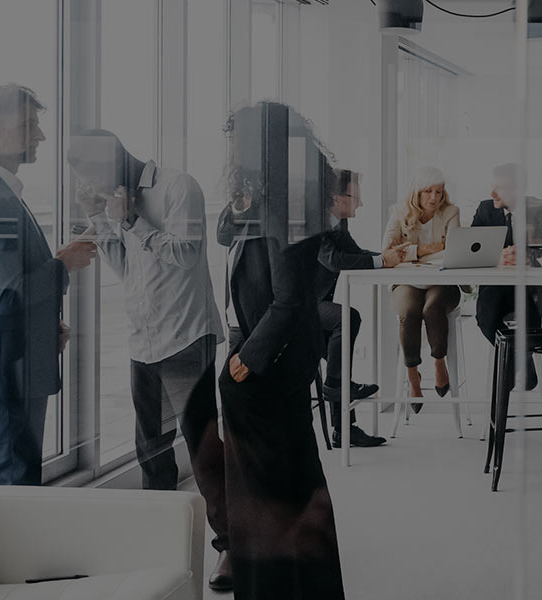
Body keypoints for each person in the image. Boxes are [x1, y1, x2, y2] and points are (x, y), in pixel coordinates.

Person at [65, 129, 233, 567]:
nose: (94, 189)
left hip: (185, 336)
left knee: (202, 450)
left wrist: (131, 222)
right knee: (152, 451)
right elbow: (129, 270)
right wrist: (103, 221)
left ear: (113, 159)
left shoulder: (179, 186)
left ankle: (233, 548)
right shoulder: (119, 202)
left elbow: (187, 253)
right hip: (144, 340)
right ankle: (159, 548)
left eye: (92, 178)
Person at [216, 100, 346, 598]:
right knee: (297, 478)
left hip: (266, 358)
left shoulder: (279, 203)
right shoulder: (290, 193)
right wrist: (240, 198)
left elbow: (289, 299)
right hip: (289, 354)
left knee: (259, 490)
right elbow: (225, 231)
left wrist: (244, 363)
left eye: (237, 141)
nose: (231, 151)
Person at [0, 84, 97, 486]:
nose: (40, 136)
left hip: (1, 368)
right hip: (2, 375)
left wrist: (42, 328)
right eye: (28, 125)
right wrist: (63, 264)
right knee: (12, 490)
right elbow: (6, 295)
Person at [470, 163, 542, 388]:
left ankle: (510, 364)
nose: (491, 194)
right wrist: (497, 257)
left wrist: (529, 257)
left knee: (529, 314)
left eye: (498, 188)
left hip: (533, 289)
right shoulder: (485, 210)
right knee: (486, 316)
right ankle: (522, 363)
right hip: (496, 289)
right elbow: (470, 251)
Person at [315, 168, 400, 448]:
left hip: (316, 304)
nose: (360, 204)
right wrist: (381, 262)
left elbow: (353, 254)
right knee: (346, 318)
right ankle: (340, 389)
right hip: (298, 306)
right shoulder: (315, 221)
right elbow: (334, 260)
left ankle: (343, 423)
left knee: (339, 343)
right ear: (337, 198)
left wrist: (391, 258)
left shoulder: (338, 222)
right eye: (356, 197)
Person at [383, 167, 462, 399]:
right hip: (407, 283)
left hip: (442, 283)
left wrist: (409, 252)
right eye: (428, 191)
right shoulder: (399, 212)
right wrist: (430, 249)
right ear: (416, 192)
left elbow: (454, 249)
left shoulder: (451, 212)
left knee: (432, 308)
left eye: (438, 192)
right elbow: (387, 252)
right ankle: (412, 373)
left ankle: (439, 362)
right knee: (408, 311)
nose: (434, 198)